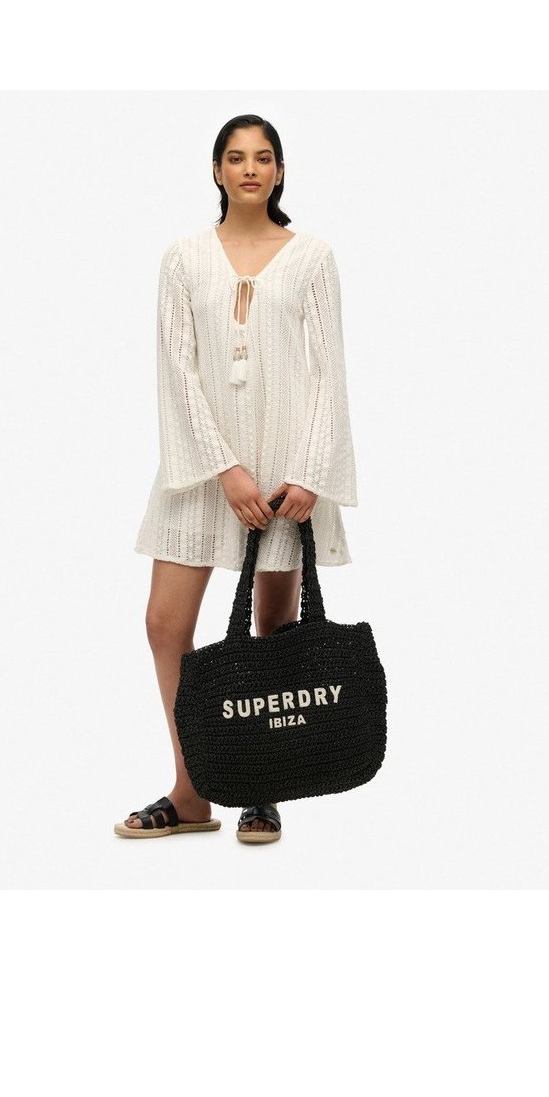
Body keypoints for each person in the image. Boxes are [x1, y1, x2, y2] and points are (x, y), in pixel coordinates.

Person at [118, 114, 358, 844]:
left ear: (279, 171)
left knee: (273, 632)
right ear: (217, 171)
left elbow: (329, 374)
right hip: (201, 469)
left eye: (263, 157)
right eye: (235, 157)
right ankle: (192, 793)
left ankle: (259, 788)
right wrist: (223, 467)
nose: (249, 168)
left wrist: (309, 474)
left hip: (287, 475)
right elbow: (177, 368)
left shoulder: (312, 256)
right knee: (165, 624)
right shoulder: (183, 259)